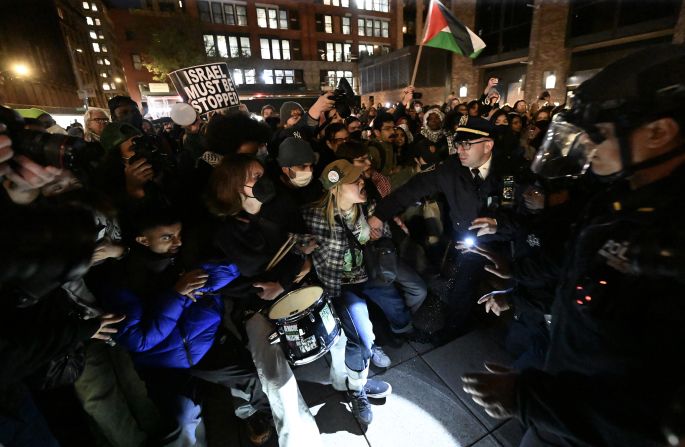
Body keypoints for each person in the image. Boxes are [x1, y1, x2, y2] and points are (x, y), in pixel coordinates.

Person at [462, 43, 685, 447]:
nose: (584, 148)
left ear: (659, 132)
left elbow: (651, 417)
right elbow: (577, 271)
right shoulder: (617, 199)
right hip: (560, 389)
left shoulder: (670, 239)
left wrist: (526, 400)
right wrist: (518, 280)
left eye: (597, 135)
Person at [97, 206, 274, 446]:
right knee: (183, 420)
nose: (177, 242)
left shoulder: (182, 255)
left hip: (205, 342)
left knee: (255, 377)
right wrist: (177, 294)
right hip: (163, 361)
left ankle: (261, 416)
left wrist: (201, 279)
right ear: (142, 240)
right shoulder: (123, 280)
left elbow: (229, 270)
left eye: (178, 234)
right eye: (167, 237)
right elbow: (140, 340)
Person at [368, 116, 510, 338]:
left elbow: (518, 213)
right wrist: (379, 215)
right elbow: (412, 189)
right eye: (457, 144)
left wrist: (500, 224)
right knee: (460, 289)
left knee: (486, 291)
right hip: (466, 243)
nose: (460, 150)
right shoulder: (451, 169)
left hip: (497, 245)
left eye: (467, 145)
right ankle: (450, 331)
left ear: (488, 145)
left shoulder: (508, 170)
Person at [302, 159, 401, 425]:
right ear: (335, 188)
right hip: (339, 286)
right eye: (355, 180)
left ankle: (358, 371)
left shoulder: (368, 208)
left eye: (361, 178)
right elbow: (296, 244)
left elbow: (383, 233)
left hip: (367, 275)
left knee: (391, 308)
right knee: (362, 337)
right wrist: (303, 252)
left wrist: (379, 228)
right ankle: (358, 389)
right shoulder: (313, 217)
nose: (362, 182)